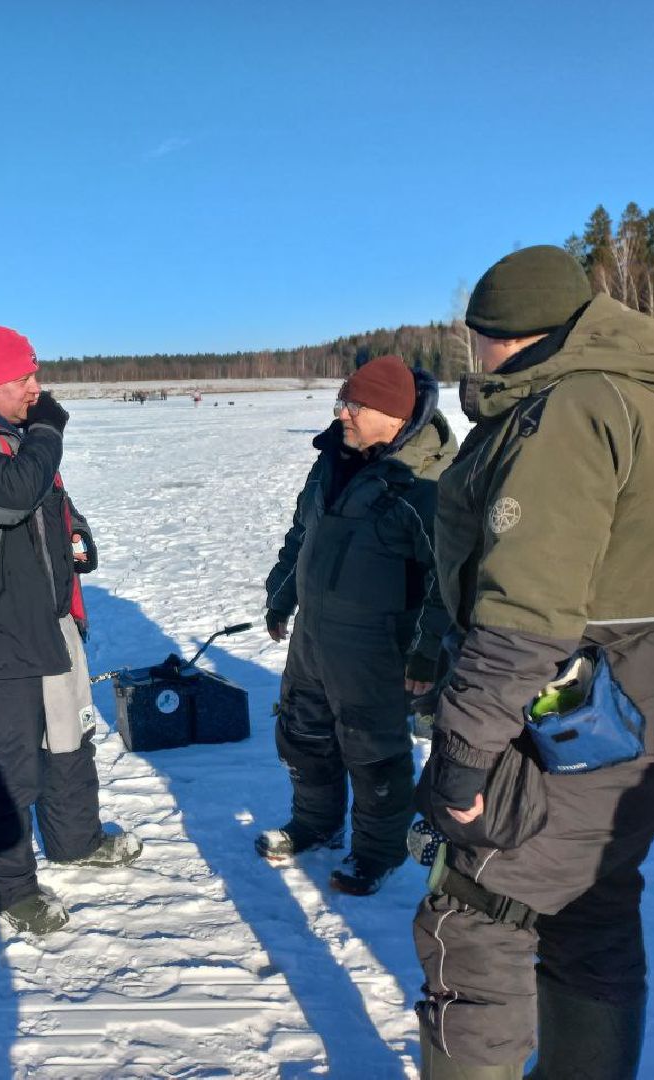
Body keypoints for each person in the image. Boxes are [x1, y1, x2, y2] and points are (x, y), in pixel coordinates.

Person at [413, 246, 654, 1079]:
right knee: (591, 902)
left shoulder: (568, 412)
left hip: (585, 733)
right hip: (649, 716)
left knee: (477, 914)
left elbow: (525, 615)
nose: (475, 356)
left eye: (478, 338)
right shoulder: (640, 385)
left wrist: (464, 755)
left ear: (505, 336)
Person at [0, 325, 141, 935]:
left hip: (47, 622)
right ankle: (9, 890)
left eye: (36, 375)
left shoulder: (11, 437)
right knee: (7, 767)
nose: (37, 389)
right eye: (24, 378)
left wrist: (76, 535)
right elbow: (14, 493)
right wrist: (48, 431)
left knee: (69, 737)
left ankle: (76, 840)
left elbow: (44, 499)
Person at [259, 355, 457, 895]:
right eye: (341, 402)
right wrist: (280, 599)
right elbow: (302, 535)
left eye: (354, 406)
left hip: (376, 647)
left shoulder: (425, 483)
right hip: (314, 637)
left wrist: (426, 651)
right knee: (303, 735)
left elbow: (448, 577)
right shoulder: (331, 463)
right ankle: (315, 824)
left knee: (373, 754)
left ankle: (376, 853)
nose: (341, 413)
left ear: (393, 416)